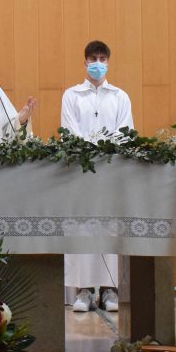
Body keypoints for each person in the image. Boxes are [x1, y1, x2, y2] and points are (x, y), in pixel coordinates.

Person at [60, 40, 133, 313]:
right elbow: (70, 130)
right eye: (93, 58)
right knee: (82, 229)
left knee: (110, 228)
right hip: (81, 174)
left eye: (103, 58)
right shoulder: (72, 95)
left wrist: (105, 152)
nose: (98, 63)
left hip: (111, 173)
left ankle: (110, 289)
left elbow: (125, 132)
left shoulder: (120, 96)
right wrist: (91, 152)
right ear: (85, 61)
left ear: (109, 62)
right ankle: (84, 290)